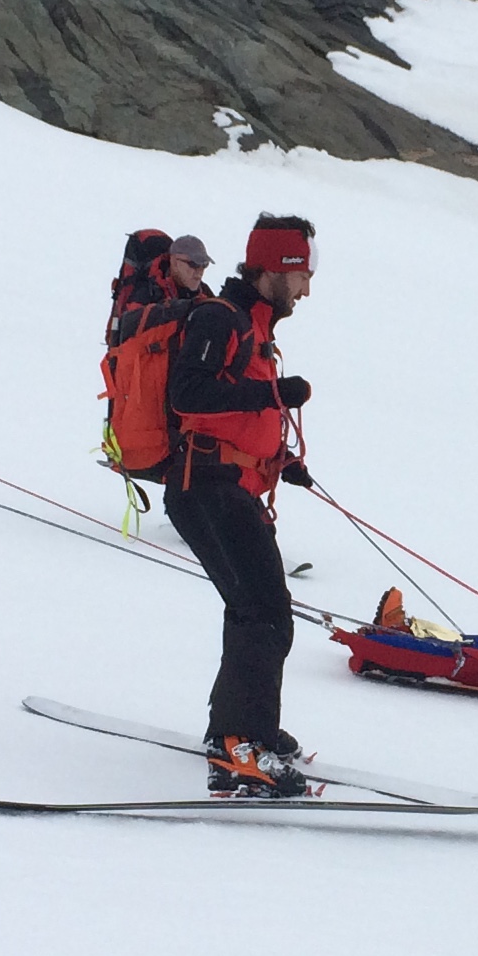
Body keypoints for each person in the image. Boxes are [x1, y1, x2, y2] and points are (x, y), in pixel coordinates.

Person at [165, 214, 318, 796]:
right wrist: (273, 393)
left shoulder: (253, 328)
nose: (306, 289)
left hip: (228, 487)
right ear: (274, 269)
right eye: (301, 274)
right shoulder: (219, 317)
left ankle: (239, 732)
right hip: (205, 486)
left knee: (258, 609)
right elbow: (188, 394)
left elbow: (234, 412)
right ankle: (238, 747)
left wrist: (279, 459)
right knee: (263, 612)